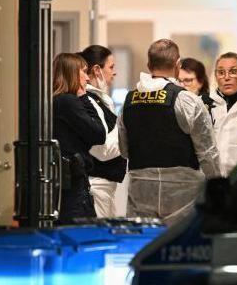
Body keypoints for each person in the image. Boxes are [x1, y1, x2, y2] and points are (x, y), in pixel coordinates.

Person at [118, 39, 221, 225]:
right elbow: (207, 152)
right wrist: (219, 188)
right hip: (183, 191)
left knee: (144, 245)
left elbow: (124, 149)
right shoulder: (187, 100)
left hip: (141, 189)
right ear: (178, 64)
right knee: (180, 246)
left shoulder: (129, 100)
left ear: (149, 65)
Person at [52, 52, 105, 223]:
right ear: (72, 74)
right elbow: (99, 133)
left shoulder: (54, 100)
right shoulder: (69, 102)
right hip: (73, 182)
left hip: (62, 180)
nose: (87, 78)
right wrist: (84, 98)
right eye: (83, 71)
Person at [78, 45, 127, 218]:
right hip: (96, 185)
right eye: (111, 67)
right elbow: (102, 149)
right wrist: (127, 127)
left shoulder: (101, 99)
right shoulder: (87, 101)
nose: (115, 72)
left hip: (105, 187)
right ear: (97, 70)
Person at [208, 52, 237, 176]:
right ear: (215, 76)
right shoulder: (204, 104)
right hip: (211, 179)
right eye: (221, 72)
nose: (226, 77)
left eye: (233, 71)